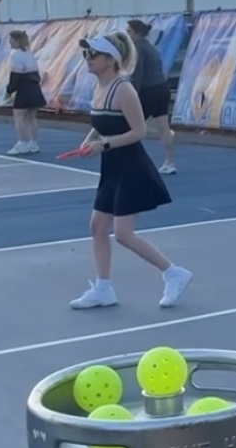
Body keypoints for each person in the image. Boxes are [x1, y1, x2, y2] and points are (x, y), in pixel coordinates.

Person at [68, 31, 193, 310]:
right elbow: (102, 122)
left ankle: (174, 274)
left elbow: (139, 131)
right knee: (97, 227)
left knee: (123, 234)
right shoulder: (100, 88)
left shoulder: (123, 89)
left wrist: (105, 145)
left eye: (93, 54)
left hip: (131, 167)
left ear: (111, 60)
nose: (88, 59)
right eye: (86, 53)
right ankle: (103, 289)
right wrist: (90, 142)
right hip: (112, 167)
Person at [126, 19, 176, 174]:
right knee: (164, 128)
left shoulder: (137, 49)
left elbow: (137, 74)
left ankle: (133, 162)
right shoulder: (153, 48)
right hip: (161, 89)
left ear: (135, 32)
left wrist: (132, 94)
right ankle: (170, 162)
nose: (127, 33)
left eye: (128, 31)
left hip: (147, 91)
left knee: (132, 128)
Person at [4, 29, 47, 155]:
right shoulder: (29, 53)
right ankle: (33, 144)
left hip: (24, 89)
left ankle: (23, 143)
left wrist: (9, 91)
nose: (9, 42)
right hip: (34, 88)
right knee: (31, 118)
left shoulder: (15, 55)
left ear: (16, 41)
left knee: (19, 117)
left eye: (11, 40)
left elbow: (15, 76)